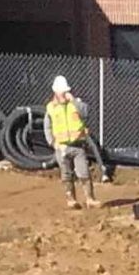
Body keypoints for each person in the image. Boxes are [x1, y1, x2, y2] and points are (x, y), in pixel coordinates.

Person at [44, 74, 97, 208]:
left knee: (84, 172)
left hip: (78, 145)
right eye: (62, 92)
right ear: (55, 92)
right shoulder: (51, 108)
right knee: (66, 175)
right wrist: (53, 143)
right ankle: (71, 199)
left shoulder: (75, 104)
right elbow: (47, 127)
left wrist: (74, 101)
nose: (64, 94)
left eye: (65, 91)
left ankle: (90, 199)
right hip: (61, 147)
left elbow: (86, 112)